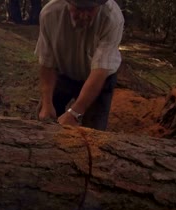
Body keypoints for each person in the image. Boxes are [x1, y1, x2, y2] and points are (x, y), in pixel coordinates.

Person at [35, 0, 124, 130]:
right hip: (64, 74)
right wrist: (47, 103)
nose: (83, 15)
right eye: (78, 9)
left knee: (95, 133)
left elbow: (100, 71)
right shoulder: (50, 14)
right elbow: (47, 63)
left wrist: (74, 113)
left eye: (90, 9)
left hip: (99, 80)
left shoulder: (112, 18)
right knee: (44, 122)